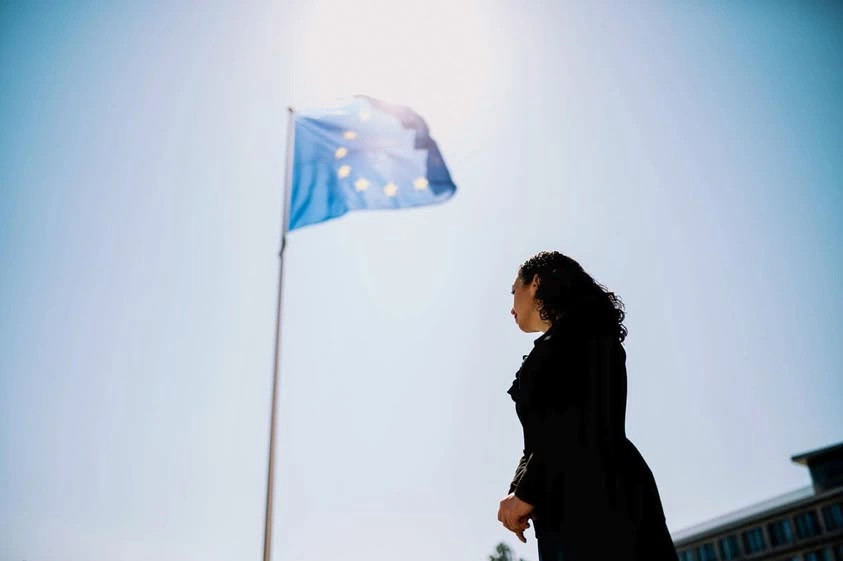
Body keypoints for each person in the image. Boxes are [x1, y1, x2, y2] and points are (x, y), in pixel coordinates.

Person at [496, 251, 679, 561]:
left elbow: (578, 424)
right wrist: (518, 492)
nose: (511, 305)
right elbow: (539, 440)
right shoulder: (557, 345)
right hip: (567, 510)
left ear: (535, 283)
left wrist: (526, 493)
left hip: (603, 502)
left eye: (515, 291)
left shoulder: (585, 335)